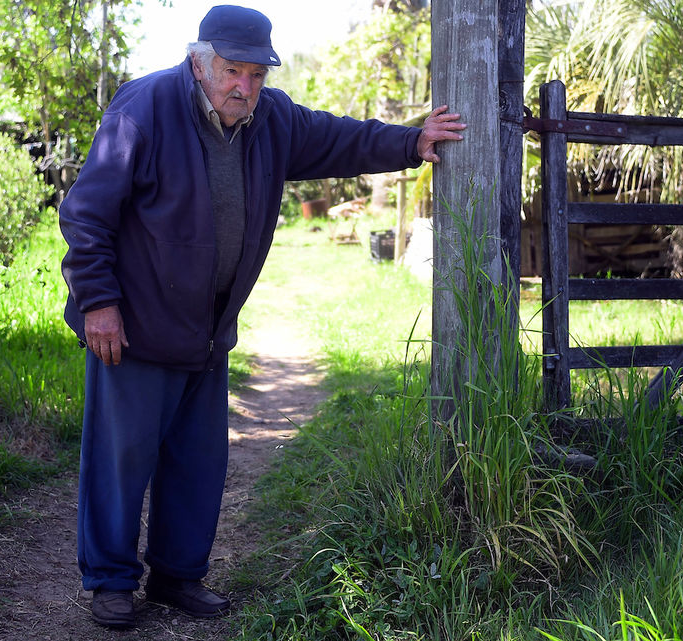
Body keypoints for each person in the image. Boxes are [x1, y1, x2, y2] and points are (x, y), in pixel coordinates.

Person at [59, 4, 465, 630]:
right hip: (132, 329)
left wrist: (412, 141)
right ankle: (111, 582)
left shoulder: (268, 119)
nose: (243, 86)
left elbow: (338, 138)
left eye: (255, 74)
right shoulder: (143, 109)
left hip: (206, 330)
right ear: (201, 64)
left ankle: (176, 575)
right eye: (232, 71)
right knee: (121, 461)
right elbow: (86, 213)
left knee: (198, 462)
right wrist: (99, 303)